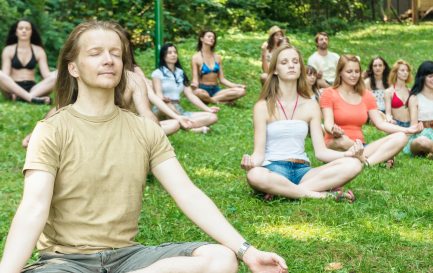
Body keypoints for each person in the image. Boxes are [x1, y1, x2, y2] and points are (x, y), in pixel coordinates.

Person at [0, 20, 287, 273]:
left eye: (115, 53)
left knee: (221, 260)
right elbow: (33, 208)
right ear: (73, 67)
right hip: (64, 263)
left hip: (127, 259)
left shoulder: (145, 129)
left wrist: (247, 251)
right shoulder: (51, 130)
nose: (109, 60)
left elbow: (188, 194)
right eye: (95, 53)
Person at [241, 45, 365, 202]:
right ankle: (321, 195)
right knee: (255, 175)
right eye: (284, 62)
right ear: (276, 70)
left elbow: (321, 152)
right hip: (274, 168)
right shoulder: (262, 106)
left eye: (295, 61)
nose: (291, 65)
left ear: (300, 68)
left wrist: (347, 154)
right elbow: (258, 154)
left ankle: (284, 191)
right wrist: (250, 162)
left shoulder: (311, 105)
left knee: (353, 164)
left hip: (304, 171)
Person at [320, 54, 423, 167]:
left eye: (357, 71)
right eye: (349, 72)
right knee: (341, 140)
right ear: (340, 72)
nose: (354, 75)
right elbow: (328, 123)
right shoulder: (329, 93)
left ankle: (367, 163)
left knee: (401, 136)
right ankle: (378, 157)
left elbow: (380, 123)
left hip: (361, 146)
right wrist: (333, 130)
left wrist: (408, 130)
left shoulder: (366, 95)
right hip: (336, 145)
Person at [152, 43, 219, 134]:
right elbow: (158, 95)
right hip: (163, 107)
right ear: (163, 56)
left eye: (175, 52)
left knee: (213, 116)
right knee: (168, 105)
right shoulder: (157, 73)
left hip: (178, 109)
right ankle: (191, 128)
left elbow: (190, 95)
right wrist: (163, 98)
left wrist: (208, 109)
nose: (173, 55)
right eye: (169, 53)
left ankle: (184, 125)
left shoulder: (180, 73)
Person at [1, 19, 55, 104]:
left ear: (31, 32)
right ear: (16, 32)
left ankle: (23, 97)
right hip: (13, 88)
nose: (24, 31)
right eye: (21, 28)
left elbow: (46, 75)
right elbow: (5, 75)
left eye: (27, 28)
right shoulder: (8, 50)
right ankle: (31, 98)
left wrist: (59, 74)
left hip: (33, 89)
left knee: (58, 74)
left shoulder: (38, 50)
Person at [191, 30, 246, 104]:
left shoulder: (217, 57)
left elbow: (222, 79)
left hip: (216, 90)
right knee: (198, 92)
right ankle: (222, 100)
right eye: (209, 36)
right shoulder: (196, 57)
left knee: (241, 91)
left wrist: (236, 85)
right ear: (202, 39)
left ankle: (211, 100)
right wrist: (194, 86)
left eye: (213, 38)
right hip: (203, 89)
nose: (212, 39)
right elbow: (195, 80)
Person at [403, 60, 433, 157]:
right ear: (422, 78)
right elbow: (413, 126)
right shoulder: (415, 98)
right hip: (421, 135)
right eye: (430, 76)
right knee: (421, 142)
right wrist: (418, 128)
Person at [384, 60, 413, 127]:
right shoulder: (389, 92)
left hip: (411, 124)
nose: (405, 73)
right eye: (402, 70)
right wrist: (389, 119)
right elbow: (388, 113)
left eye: (407, 70)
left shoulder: (411, 91)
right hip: (397, 124)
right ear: (396, 72)